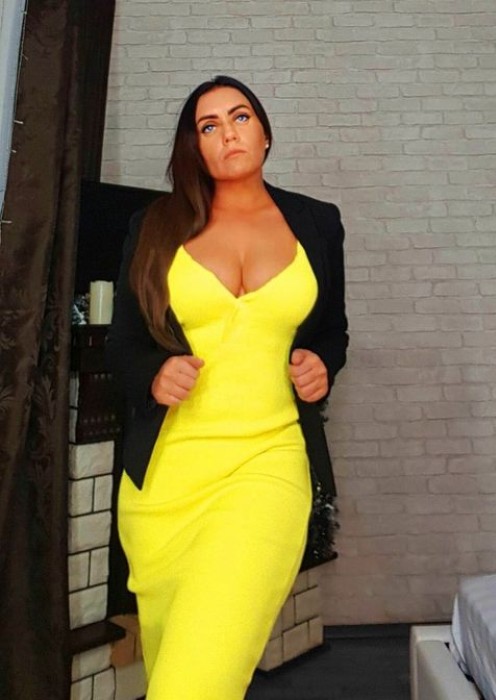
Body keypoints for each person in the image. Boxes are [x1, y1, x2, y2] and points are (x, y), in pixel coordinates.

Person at [106, 75, 348, 700]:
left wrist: (321, 363)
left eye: (240, 117)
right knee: (173, 669)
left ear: (264, 133)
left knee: (195, 681)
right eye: (208, 126)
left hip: (269, 462)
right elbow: (123, 343)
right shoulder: (154, 226)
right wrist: (153, 373)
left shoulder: (317, 223)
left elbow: (332, 333)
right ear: (195, 146)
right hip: (166, 483)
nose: (227, 133)